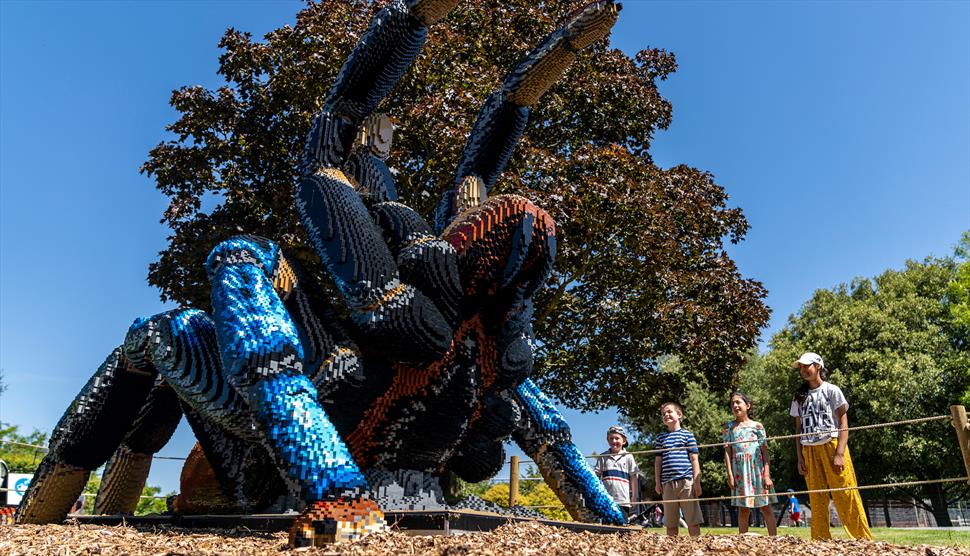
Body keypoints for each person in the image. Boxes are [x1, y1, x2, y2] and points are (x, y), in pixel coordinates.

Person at [791, 352, 873, 540]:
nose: (803, 370)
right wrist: (800, 457)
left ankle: (861, 539)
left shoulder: (832, 390)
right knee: (817, 497)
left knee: (846, 493)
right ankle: (820, 540)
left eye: (807, 366)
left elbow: (844, 423)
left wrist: (840, 453)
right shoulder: (799, 396)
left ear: (818, 366)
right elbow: (797, 429)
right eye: (801, 368)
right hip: (808, 449)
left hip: (832, 445)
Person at [722, 391, 778, 535]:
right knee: (743, 508)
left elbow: (764, 451)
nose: (735, 405)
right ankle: (743, 540)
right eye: (732, 403)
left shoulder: (757, 426)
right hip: (740, 472)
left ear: (748, 405)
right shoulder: (728, 427)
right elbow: (728, 452)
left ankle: (774, 539)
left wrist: (767, 475)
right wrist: (730, 474)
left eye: (738, 402)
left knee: (765, 506)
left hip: (757, 470)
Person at [654, 402, 702, 537]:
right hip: (667, 484)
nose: (666, 415)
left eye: (669, 412)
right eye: (663, 414)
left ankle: (696, 546)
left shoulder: (688, 435)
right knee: (671, 522)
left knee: (692, 520)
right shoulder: (660, 438)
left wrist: (696, 482)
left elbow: (694, 459)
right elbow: (658, 462)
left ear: (679, 415)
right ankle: (673, 548)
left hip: (687, 482)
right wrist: (658, 482)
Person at [594, 425, 640, 521]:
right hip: (607, 499)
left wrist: (634, 496)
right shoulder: (603, 457)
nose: (614, 441)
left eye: (617, 438)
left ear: (624, 441)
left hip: (623, 500)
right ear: (608, 441)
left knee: (622, 526)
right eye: (611, 439)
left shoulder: (628, 457)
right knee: (607, 527)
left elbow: (634, 477)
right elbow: (596, 475)